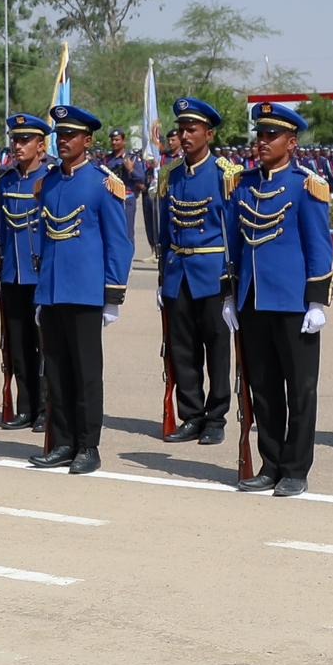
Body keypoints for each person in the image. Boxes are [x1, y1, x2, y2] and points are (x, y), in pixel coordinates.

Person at [224, 103, 333, 498]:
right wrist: (230, 295)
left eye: (272, 136)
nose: (262, 142)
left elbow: (319, 247)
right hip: (253, 300)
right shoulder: (244, 185)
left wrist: (317, 302)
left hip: (293, 303)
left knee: (300, 390)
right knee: (265, 389)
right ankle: (269, 462)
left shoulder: (305, 186)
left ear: (291, 142)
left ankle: (295, 469)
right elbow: (232, 245)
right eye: (260, 134)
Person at [29, 105, 133, 473]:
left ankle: (88, 446)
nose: (64, 140)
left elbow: (119, 243)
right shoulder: (50, 182)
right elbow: (44, 239)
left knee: (86, 374)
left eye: (71, 135)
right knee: (55, 372)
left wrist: (113, 296)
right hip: (53, 292)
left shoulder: (103, 184)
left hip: (87, 293)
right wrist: (42, 292)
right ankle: (62, 441)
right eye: (60, 135)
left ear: (87, 141)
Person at [147, 98, 239, 448]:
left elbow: (232, 232)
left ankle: (216, 417)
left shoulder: (224, 174)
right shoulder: (171, 175)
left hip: (212, 273)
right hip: (177, 273)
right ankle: (192, 414)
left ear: (209, 134)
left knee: (216, 348)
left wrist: (232, 283)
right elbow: (166, 233)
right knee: (181, 349)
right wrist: (162, 277)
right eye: (182, 129)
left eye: (192, 129)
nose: (184, 136)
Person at [0, 114, 49, 430]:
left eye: (25, 140)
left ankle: (45, 408)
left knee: (45, 348)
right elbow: (4, 231)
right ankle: (26, 406)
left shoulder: (50, 180)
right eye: (15, 139)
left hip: (40, 277)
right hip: (13, 276)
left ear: (41, 145)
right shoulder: (6, 181)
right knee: (18, 345)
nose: (17, 145)